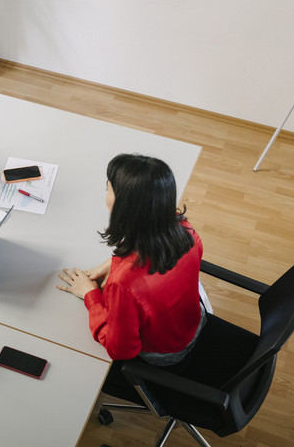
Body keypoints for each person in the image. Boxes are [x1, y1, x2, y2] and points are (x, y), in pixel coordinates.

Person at [56, 153, 204, 402]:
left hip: (165, 355)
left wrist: (90, 295)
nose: (105, 194)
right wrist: (112, 264)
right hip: (194, 323)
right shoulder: (185, 230)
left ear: (123, 206)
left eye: (107, 189)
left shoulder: (124, 285)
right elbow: (151, 262)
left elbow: (121, 350)